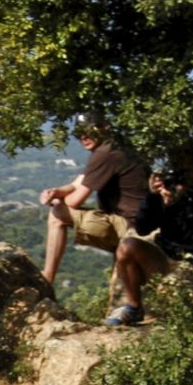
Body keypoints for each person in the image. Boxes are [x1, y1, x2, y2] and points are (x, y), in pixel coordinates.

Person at [38, 115, 154, 326]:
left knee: (57, 214)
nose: (84, 137)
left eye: (90, 130)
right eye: (79, 133)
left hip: (130, 226)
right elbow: (77, 183)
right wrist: (56, 191)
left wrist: (58, 199)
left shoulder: (106, 153)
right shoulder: (116, 146)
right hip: (139, 222)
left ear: (104, 128)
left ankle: (47, 278)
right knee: (59, 206)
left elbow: (74, 200)